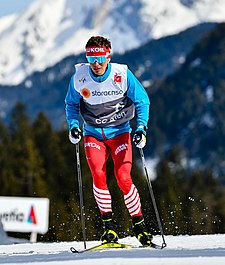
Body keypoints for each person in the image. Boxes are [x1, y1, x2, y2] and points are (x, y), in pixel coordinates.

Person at [65, 36, 152, 246]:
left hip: (120, 132)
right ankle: (109, 228)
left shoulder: (121, 75)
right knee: (98, 174)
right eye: (90, 57)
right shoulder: (80, 77)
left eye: (99, 57)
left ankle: (139, 226)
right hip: (93, 134)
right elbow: (71, 104)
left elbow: (142, 101)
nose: (95, 63)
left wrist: (141, 128)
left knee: (123, 177)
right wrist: (74, 126)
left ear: (108, 56)